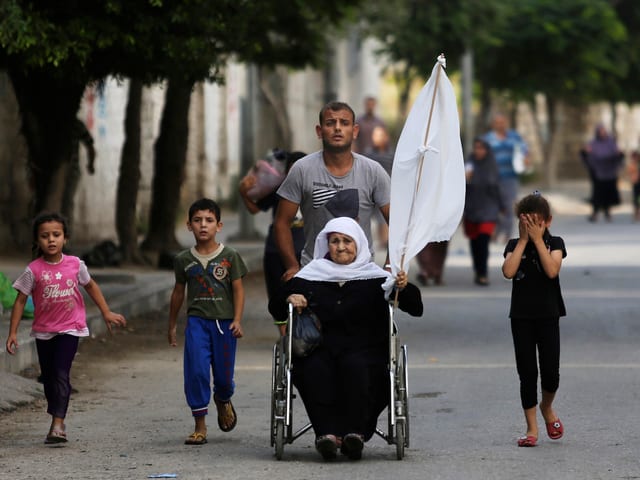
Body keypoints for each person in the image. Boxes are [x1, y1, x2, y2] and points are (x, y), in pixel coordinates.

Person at [268, 217, 423, 460]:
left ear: (359, 244)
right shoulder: (310, 275)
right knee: (312, 369)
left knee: (358, 368)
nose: (340, 247)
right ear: (326, 245)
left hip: (366, 348)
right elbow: (276, 306)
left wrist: (403, 286)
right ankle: (326, 435)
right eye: (335, 241)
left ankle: (356, 434)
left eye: (347, 241)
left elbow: (415, 307)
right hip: (319, 348)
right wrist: (290, 298)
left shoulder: (376, 278)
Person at [5, 212, 126, 444]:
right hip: (43, 331)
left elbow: (90, 286)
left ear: (65, 238)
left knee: (61, 373)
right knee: (49, 377)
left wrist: (106, 312)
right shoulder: (34, 270)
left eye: (56, 235)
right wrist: (12, 332)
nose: (51, 240)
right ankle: (56, 412)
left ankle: (58, 424)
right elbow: (20, 301)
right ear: (37, 241)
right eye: (45, 236)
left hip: (70, 328)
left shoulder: (75, 264)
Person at [274, 101, 391, 281]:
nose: (337, 128)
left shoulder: (372, 171)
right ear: (319, 131)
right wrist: (292, 266)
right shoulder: (302, 169)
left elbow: (398, 224)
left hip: (361, 275)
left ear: (355, 131)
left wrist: (390, 266)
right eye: (330, 123)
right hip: (314, 273)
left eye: (344, 123)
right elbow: (281, 222)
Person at [167, 198, 247, 445]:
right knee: (197, 372)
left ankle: (223, 399)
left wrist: (237, 319)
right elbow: (178, 292)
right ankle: (199, 426)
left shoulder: (230, 256)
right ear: (189, 225)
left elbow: (238, 290)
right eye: (197, 220)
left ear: (219, 226)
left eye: (209, 221)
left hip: (224, 324)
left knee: (223, 379)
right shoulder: (183, 259)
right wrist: (172, 324)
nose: (203, 225)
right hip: (197, 323)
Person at [502, 192, 566, 448]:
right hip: (521, 317)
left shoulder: (556, 243)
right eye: (526, 222)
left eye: (536, 222)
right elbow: (508, 272)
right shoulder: (513, 245)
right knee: (527, 373)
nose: (531, 227)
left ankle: (547, 406)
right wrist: (522, 241)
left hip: (549, 315)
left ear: (547, 222)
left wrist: (539, 241)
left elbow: (552, 270)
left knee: (550, 373)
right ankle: (531, 428)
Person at [239, 150, 306, 333]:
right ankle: (284, 334)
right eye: (293, 170)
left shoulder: (317, 189)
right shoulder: (279, 189)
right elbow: (255, 209)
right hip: (275, 250)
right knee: (277, 293)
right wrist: (244, 194)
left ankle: (305, 331)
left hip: (307, 252)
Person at [463, 138, 505, 286]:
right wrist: (464, 179)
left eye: (481, 148)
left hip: (489, 210)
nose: (478, 151)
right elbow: (460, 189)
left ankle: (483, 273)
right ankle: (477, 269)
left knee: (483, 241)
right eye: (476, 148)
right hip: (471, 209)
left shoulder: (492, 167)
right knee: (474, 243)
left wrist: (502, 206)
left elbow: (498, 189)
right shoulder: (468, 166)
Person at [483, 113, 529, 242]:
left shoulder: (514, 136)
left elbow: (524, 150)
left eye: (502, 122)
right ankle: (496, 231)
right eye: (497, 122)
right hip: (492, 179)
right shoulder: (487, 139)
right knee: (494, 207)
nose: (500, 125)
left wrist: (526, 159)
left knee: (509, 207)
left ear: (506, 123)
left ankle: (507, 235)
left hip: (510, 178)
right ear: (493, 124)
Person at [582, 124, 623, 222]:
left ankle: (607, 212)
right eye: (600, 131)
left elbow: (617, 155)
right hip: (598, 173)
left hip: (610, 173)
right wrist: (586, 152)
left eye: (603, 131)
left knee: (608, 194)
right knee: (597, 194)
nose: (602, 133)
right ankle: (594, 213)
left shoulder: (610, 143)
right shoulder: (593, 143)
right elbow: (587, 156)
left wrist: (619, 154)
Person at [627, 150, 640, 222]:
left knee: (638, 199)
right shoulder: (632, 164)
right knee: (636, 199)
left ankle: (637, 213)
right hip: (636, 184)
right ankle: (636, 213)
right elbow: (630, 173)